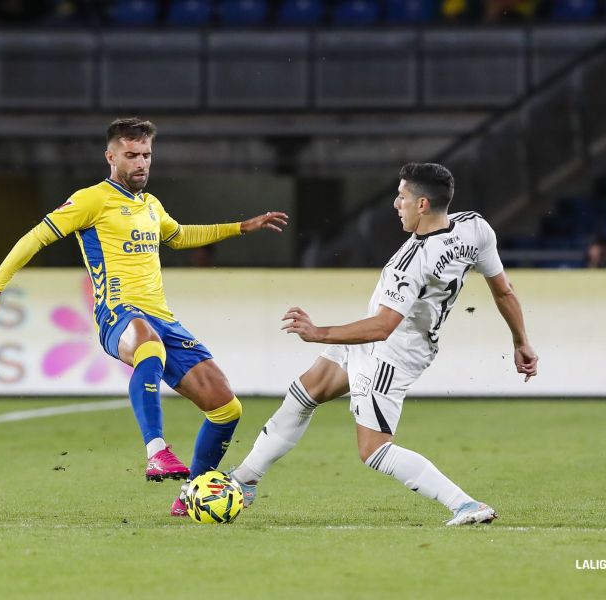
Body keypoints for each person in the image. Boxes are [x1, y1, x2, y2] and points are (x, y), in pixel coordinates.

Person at [0, 117, 288, 516]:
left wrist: (241, 227)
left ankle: (190, 494)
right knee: (148, 345)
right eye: (132, 155)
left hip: (163, 319)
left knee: (227, 408)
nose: (141, 163)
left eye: (146, 155)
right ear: (111, 157)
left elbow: (180, 236)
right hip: (117, 314)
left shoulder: (151, 205)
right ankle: (156, 450)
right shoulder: (91, 200)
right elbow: (37, 236)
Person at [228, 163, 538, 526]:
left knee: (373, 450)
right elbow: (504, 290)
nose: (396, 204)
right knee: (305, 392)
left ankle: (465, 504)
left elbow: (382, 327)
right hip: (386, 340)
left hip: (391, 354)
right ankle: (245, 479)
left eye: (402, 196)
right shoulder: (474, 226)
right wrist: (521, 342)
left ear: (422, 204)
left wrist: (317, 333)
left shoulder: (410, 262)